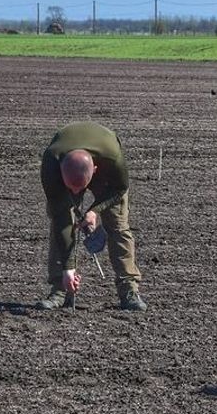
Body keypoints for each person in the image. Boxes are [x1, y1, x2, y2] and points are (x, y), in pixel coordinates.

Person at [35, 121, 147, 312]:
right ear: (61, 171)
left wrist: (94, 211)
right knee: (60, 224)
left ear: (94, 171)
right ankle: (60, 289)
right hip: (66, 165)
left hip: (108, 176)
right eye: (71, 188)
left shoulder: (113, 158)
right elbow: (62, 219)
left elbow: (120, 189)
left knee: (118, 225)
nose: (76, 192)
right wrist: (68, 269)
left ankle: (129, 289)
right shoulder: (51, 164)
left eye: (80, 188)